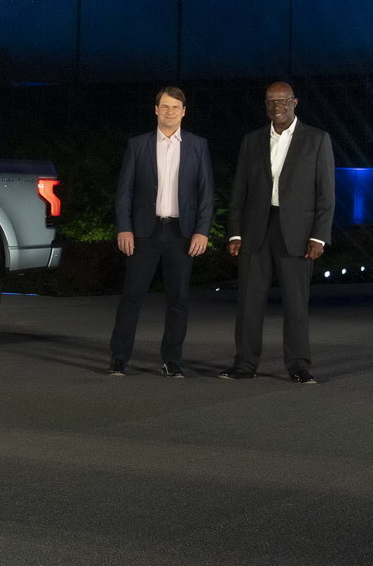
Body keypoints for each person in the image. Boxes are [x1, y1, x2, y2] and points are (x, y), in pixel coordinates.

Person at [221, 81, 335, 384]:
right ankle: (245, 364)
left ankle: (298, 366)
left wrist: (319, 236)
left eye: (282, 101)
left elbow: (326, 193)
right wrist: (235, 233)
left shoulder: (317, 139)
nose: (276, 107)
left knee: (296, 302)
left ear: (294, 102)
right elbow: (239, 190)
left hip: (298, 233)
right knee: (249, 301)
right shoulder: (252, 140)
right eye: (271, 102)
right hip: (255, 229)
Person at [108, 87, 214, 377]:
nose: (170, 112)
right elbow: (124, 192)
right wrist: (124, 228)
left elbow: (206, 193)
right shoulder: (138, 145)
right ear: (156, 110)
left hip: (182, 233)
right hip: (144, 232)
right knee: (132, 296)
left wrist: (202, 231)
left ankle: (172, 361)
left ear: (184, 112)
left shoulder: (198, 146)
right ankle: (119, 358)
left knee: (178, 300)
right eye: (165, 106)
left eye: (175, 107)